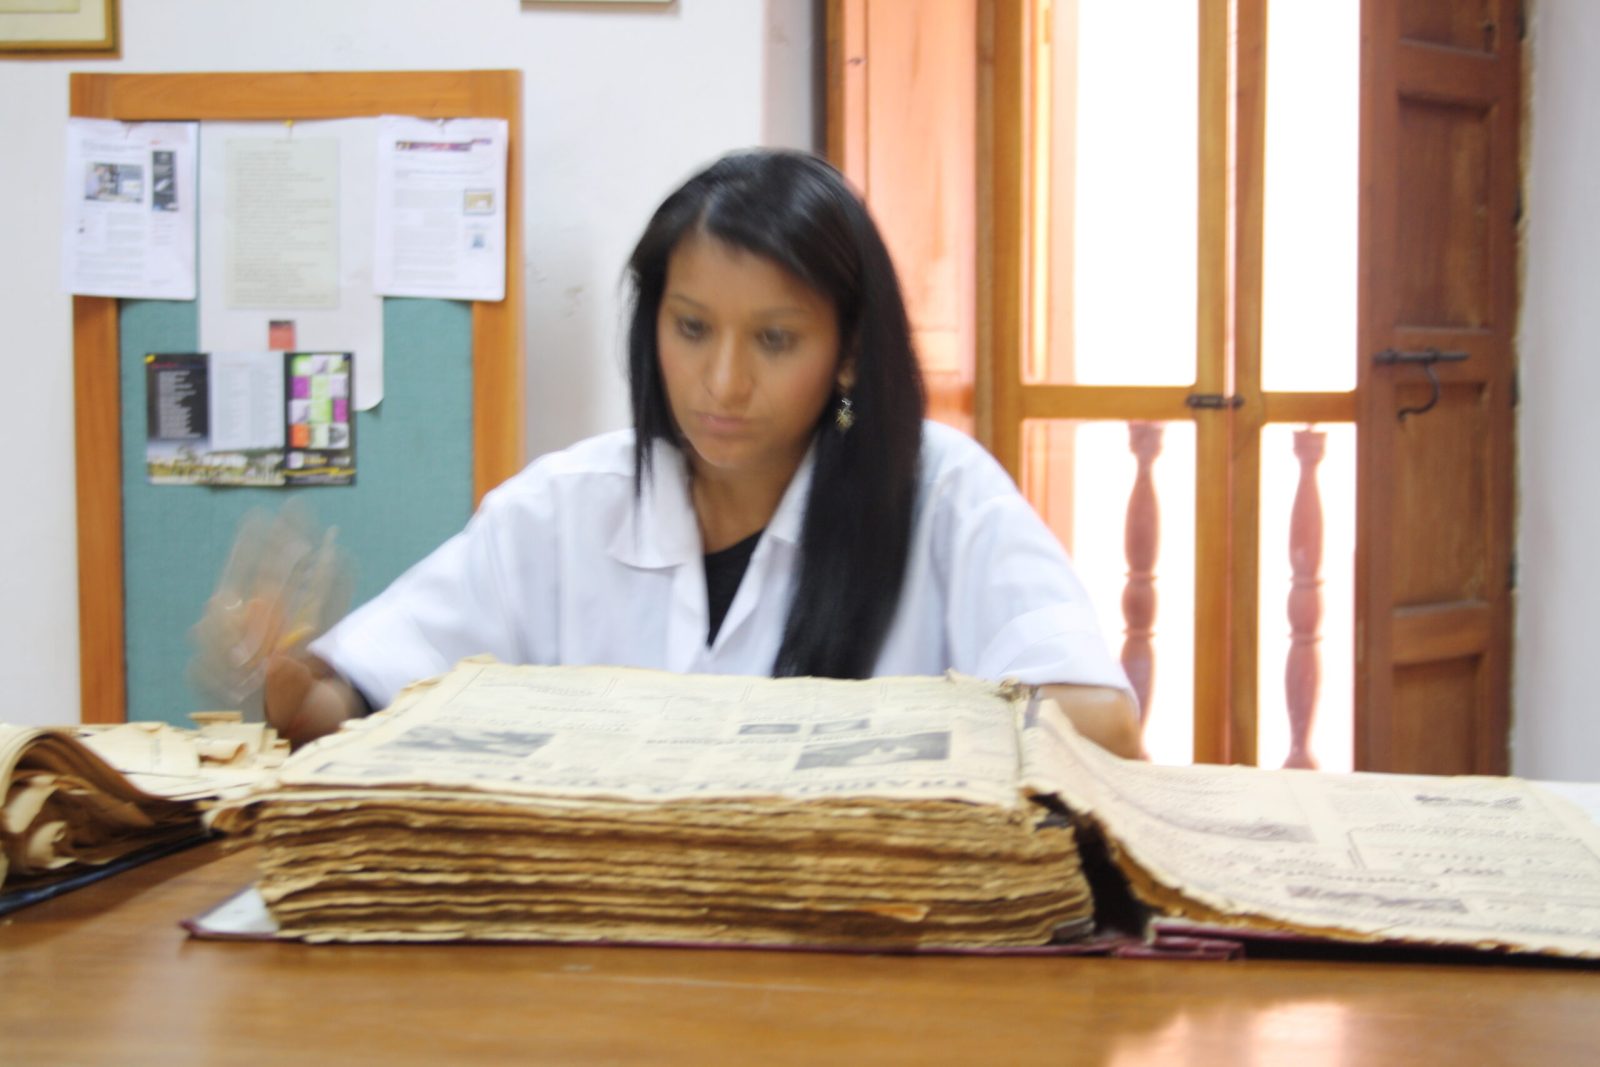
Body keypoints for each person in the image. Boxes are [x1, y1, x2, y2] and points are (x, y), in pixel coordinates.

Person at [261, 149, 1143, 758]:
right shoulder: (560, 509)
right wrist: (291, 681)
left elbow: (1099, 722)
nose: (723, 382)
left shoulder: (941, 494)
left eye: (775, 339)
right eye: (691, 328)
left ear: (847, 351)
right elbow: (355, 693)